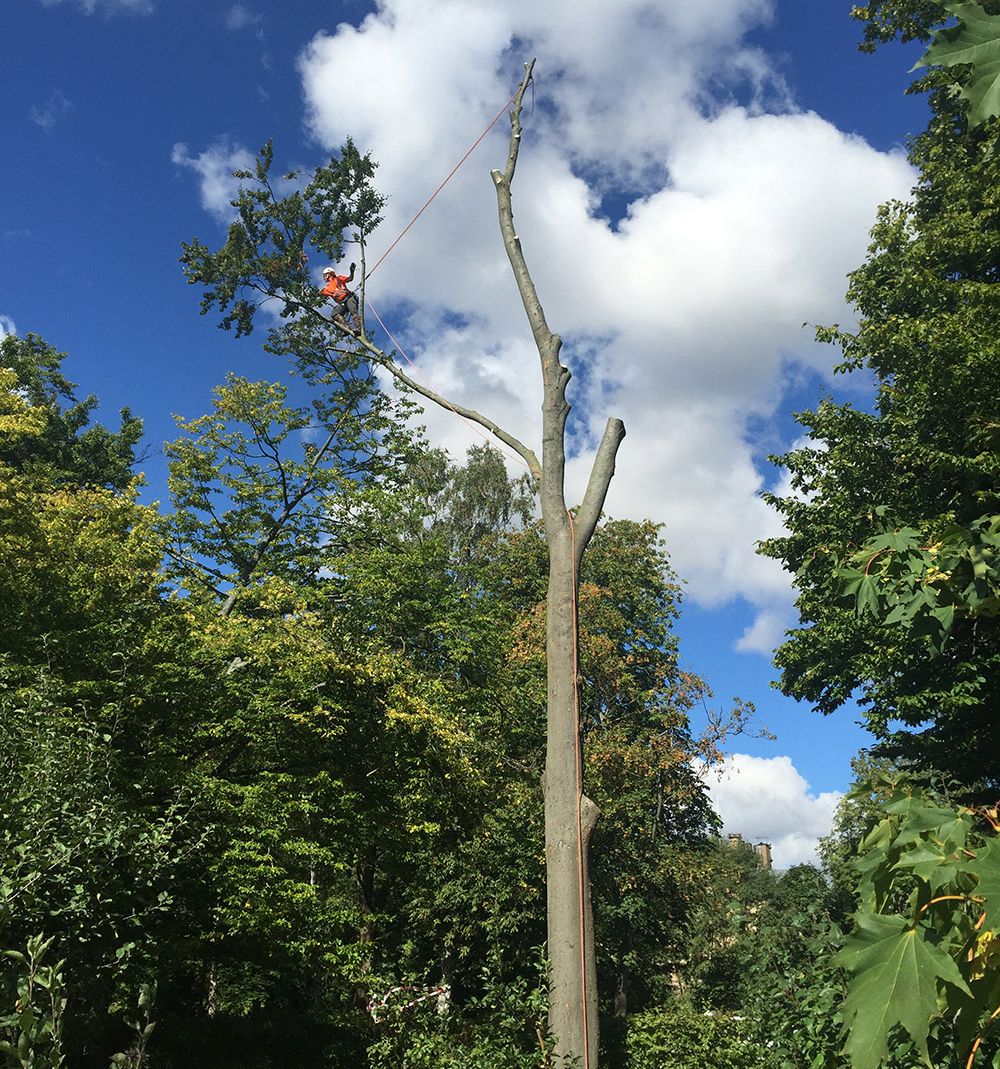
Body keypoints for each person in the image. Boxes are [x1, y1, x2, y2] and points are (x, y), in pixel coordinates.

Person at [320, 263, 360, 333]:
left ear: (329, 274)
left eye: (325, 275)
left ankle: (359, 328)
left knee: (354, 312)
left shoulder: (339, 278)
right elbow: (317, 293)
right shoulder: (326, 289)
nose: (324, 277)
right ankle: (346, 328)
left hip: (349, 297)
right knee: (334, 314)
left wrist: (352, 271)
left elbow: (350, 279)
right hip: (342, 303)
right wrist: (306, 294)